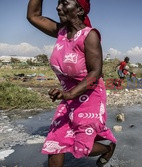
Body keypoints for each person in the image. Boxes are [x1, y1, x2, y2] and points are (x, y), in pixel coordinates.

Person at [27, 0, 116, 166]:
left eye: (64, 3)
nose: (58, 7)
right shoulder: (61, 32)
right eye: (58, 3)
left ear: (80, 10)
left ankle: (107, 149)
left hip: (90, 96)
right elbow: (33, 15)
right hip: (68, 97)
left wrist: (68, 94)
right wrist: (67, 96)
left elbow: (95, 73)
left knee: (81, 147)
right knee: (54, 145)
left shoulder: (90, 36)